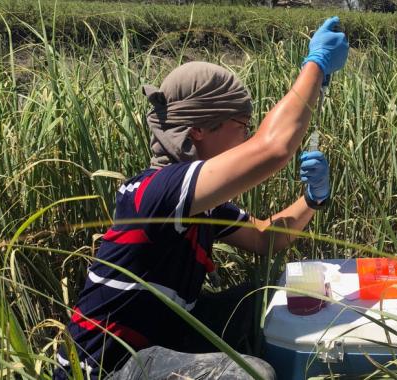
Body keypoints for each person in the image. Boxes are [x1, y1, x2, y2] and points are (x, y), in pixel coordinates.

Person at [54, 16, 348, 380]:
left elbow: (266, 238)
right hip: (104, 369)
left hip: (158, 342)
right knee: (250, 375)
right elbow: (273, 146)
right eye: (242, 126)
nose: (246, 138)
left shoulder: (198, 203)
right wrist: (315, 65)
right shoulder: (157, 191)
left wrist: (313, 199)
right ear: (197, 130)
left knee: (266, 302)